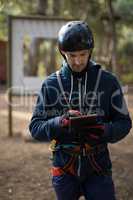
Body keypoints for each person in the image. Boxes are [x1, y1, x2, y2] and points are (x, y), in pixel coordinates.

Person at [29, 21, 132, 200]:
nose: (77, 61)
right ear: (63, 52)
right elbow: (35, 127)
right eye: (72, 55)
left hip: (98, 167)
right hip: (64, 166)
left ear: (90, 51)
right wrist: (60, 123)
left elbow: (124, 122)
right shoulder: (51, 84)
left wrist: (105, 131)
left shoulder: (109, 82)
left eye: (83, 54)